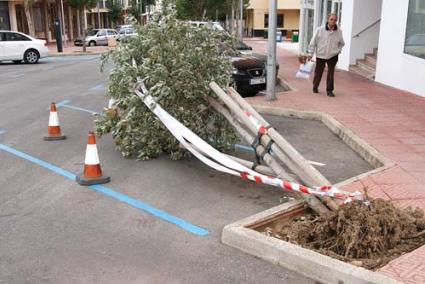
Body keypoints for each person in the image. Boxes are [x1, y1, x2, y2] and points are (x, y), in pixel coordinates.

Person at [308, 14, 345, 97]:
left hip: (333, 56)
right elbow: (313, 43)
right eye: (331, 19)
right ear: (328, 20)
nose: (333, 21)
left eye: (335, 20)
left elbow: (342, 43)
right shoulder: (320, 30)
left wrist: (337, 51)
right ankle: (315, 86)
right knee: (318, 72)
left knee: (331, 73)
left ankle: (329, 90)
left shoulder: (339, 31)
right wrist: (310, 53)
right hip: (321, 55)